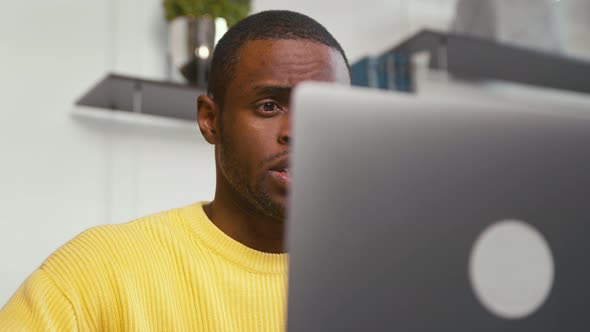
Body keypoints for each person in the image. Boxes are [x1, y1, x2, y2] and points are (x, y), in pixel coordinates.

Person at [0, 10, 351, 331]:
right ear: (210, 120)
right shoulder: (95, 272)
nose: (298, 130)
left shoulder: (384, 277)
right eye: (269, 105)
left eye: (322, 109)